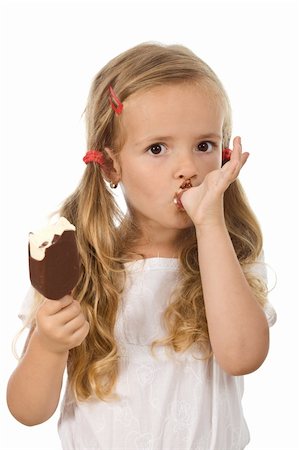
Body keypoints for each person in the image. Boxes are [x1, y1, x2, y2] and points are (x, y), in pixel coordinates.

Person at [7, 42, 276, 450]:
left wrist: (210, 224)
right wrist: (49, 344)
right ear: (112, 164)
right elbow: (27, 412)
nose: (187, 168)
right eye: (157, 148)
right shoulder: (82, 263)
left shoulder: (228, 260)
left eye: (204, 146)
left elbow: (244, 356)